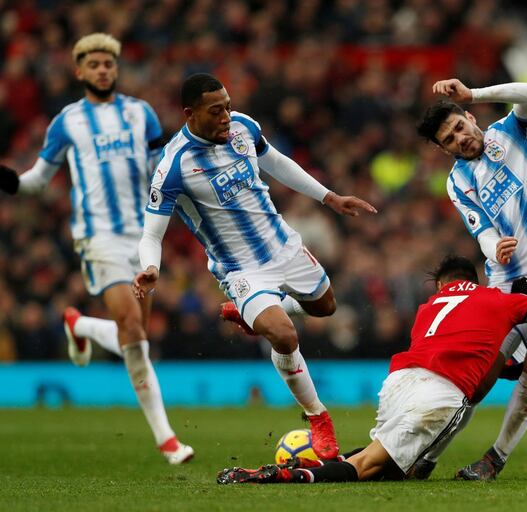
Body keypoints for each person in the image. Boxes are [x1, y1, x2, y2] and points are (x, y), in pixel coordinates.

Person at [133, 73, 377, 460]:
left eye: (228, 105)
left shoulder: (244, 127)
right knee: (284, 336)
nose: (227, 116)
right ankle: (318, 417)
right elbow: (151, 234)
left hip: (284, 245)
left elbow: (277, 163)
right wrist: (151, 268)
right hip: (241, 269)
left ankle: (254, 315)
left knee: (326, 307)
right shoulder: (173, 167)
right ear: (190, 114)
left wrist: (328, 197)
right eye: (216, 111)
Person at [215, 255, 527, 485]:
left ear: (443, 285)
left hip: (398, 382)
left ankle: (312, 463)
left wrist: (506, 369)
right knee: (367, 465)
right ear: (472, 280)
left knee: (389, 467)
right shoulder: (498, 299)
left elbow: (460, 350)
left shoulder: (428, 308)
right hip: (438, 393)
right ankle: (286, 476)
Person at [0, 34, 192, 464]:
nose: (103, 69)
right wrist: (7, 179)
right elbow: (35, 181)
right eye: (95, 64)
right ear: (80, 71)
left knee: (135, 337)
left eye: (109, 63)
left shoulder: (140, 113)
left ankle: (80, 325)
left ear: (116, 68)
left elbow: (159, 167)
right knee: (132, 327)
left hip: (143, 237)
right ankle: (168, 440)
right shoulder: (68, 121)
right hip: (98, 236)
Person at [415, 78, 527, 480]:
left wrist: (473, 93)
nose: (459, 139)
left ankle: (495, 458)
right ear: (444, 150)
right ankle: (426, 456)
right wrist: (494, 248)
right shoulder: (458, 181)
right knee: (475, 381)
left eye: (459, 127)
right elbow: (483, 231)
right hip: (506, 285)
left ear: (471, 118)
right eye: (449, 140)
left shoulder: (515, 130)